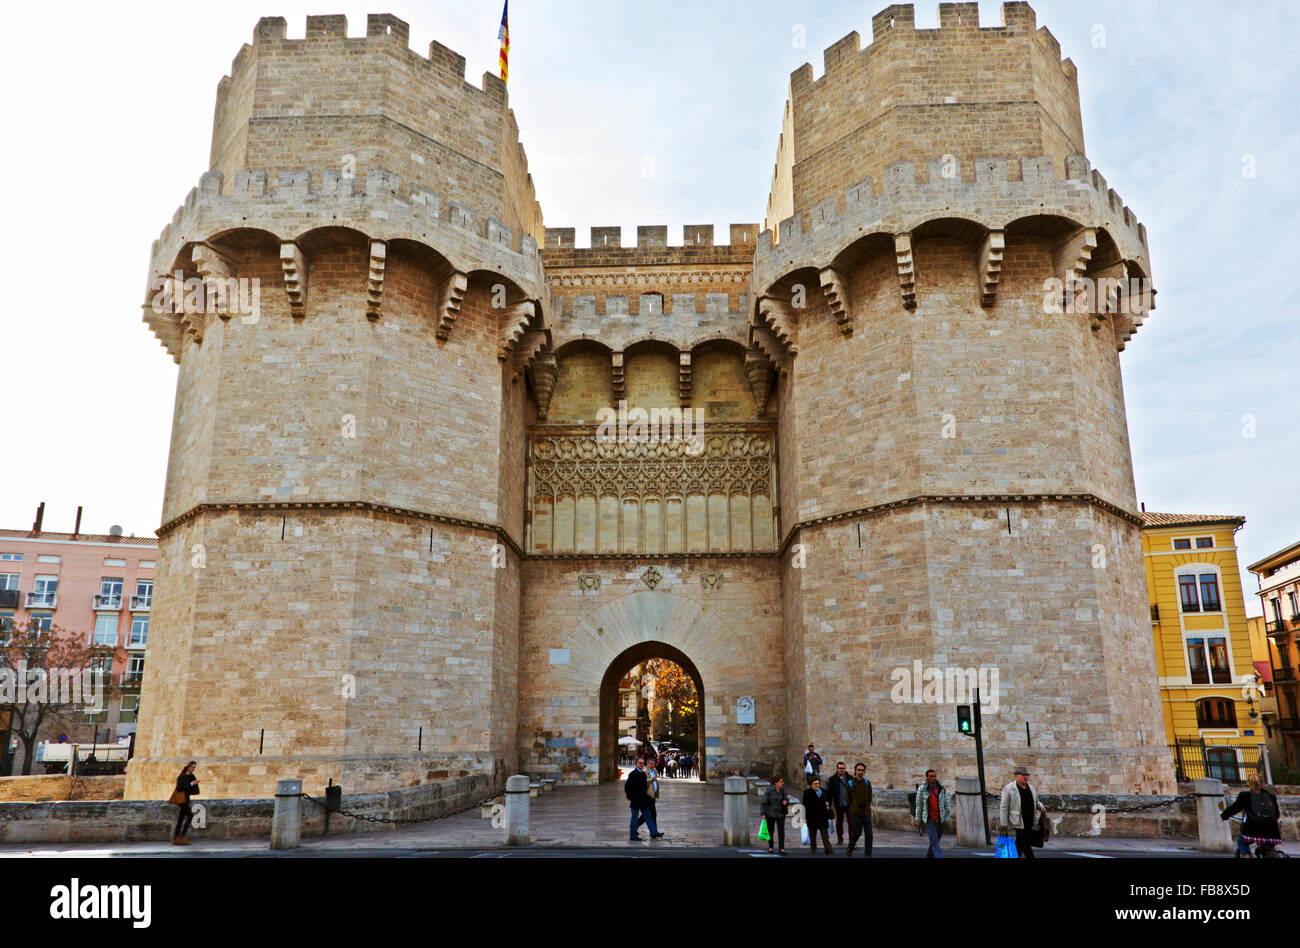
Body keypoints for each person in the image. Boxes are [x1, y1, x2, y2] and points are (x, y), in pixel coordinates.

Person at [1220, 773, 1282, 857]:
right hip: (1273, 833)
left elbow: (1234, 809)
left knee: (1241, 842)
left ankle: (1247, 855)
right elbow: (1277, 815)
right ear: (1263, 783)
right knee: (1268, 849)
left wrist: (1224, 816)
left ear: (1248, 783)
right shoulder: (1271, 797)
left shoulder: (1245, 796)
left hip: (1253, 831)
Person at [998, 766, 1047, 859]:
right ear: (1017, 776)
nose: (1026, 777)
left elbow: (1036, 801)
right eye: (1023, 775)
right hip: (1018, 821)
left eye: (1027, 775)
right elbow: (1004, 806)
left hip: (1030, 821)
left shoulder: (1031, 788)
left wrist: (1040, 805)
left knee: (1020, 844)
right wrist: (1003, 822)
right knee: (1025, 843)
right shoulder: (1009, 788)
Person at [913, 768, 951, 858]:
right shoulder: (922, 790)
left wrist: (946, 817)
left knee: (935, 841)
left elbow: (946, 804)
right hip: (930, 819)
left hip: (940, 818)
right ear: (927, 778)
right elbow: (919, 805)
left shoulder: (942, 789)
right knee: (934, 841)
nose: (933, 778)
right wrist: (918, 820)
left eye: (934, 776)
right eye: (931, 776)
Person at [625, 758, 663, 841]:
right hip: (635, 800)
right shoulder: (633, 774)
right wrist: (629, 796)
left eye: (642, 763)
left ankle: (654, 832)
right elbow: (627, 786)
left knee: (648, 816)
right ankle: (633, 835)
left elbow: (644, 787)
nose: (641, 765)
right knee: (634, 818)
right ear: (636, 764)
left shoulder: (643, 774)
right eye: (640, 763)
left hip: (643, 800)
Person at [845, 762, 873, 857]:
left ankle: (868, 854)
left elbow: (870, 796)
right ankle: (850, 846)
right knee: (857, 832)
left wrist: (866, 804)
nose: (860, 772)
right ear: (855, 771)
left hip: (866, 812)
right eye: (858, 770)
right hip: (855, 812)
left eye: (862, 770)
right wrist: (853, 805)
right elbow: (847, 798)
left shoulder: (867, 783)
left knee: (869, 834)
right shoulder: (850, 783)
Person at [802, 776, 834, 854]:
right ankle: (813, 849)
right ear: (811, 784)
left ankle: (828, 849)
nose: (817, 785)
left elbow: (829, 801)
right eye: (815, 784)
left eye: (818, 783)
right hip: (812, 816)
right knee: (812, 835)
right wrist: (806, 817)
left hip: (823, 816)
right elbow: (805, 805)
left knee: (825, 835)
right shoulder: (807, 793)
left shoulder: (824, 792)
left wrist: (828, 804)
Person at [761, 775, 791, 854]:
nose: (782, 783)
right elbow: (764, 802)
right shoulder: (769, 790)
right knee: (770, 831)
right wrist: (763, 813)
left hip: (780, 813)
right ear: (775, 783)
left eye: (782, 781)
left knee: (781, 831)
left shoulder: (782, 790)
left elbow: (787, 799)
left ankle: (782, 849)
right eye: (781, 781)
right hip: (770, 813)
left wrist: (786, 802)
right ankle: (771, 848)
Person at [171, 760, 199, 845]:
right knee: (190, 816)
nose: (193, 769)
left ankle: (176, 837)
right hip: (181, 800)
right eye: (192, 767)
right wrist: (191, 784)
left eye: (194, 767)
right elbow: (180, 788)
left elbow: (193, 789)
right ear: (188, 767)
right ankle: (182, 836)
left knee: (181, 818)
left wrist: (194, 784)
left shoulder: (192, 776)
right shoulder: (182, 776)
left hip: (186, 799)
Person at [825, 761, 851, 846]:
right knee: (839, 822)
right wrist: (828, 803)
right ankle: (840, 838)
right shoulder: (832, 779)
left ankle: (852, 839)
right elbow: (830, 792)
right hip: (838, 803)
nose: (842, 770)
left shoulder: (850, 778)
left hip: (848, 804)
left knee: (851, 821)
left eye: (843, 768)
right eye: (840, 768)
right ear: (837, 769)